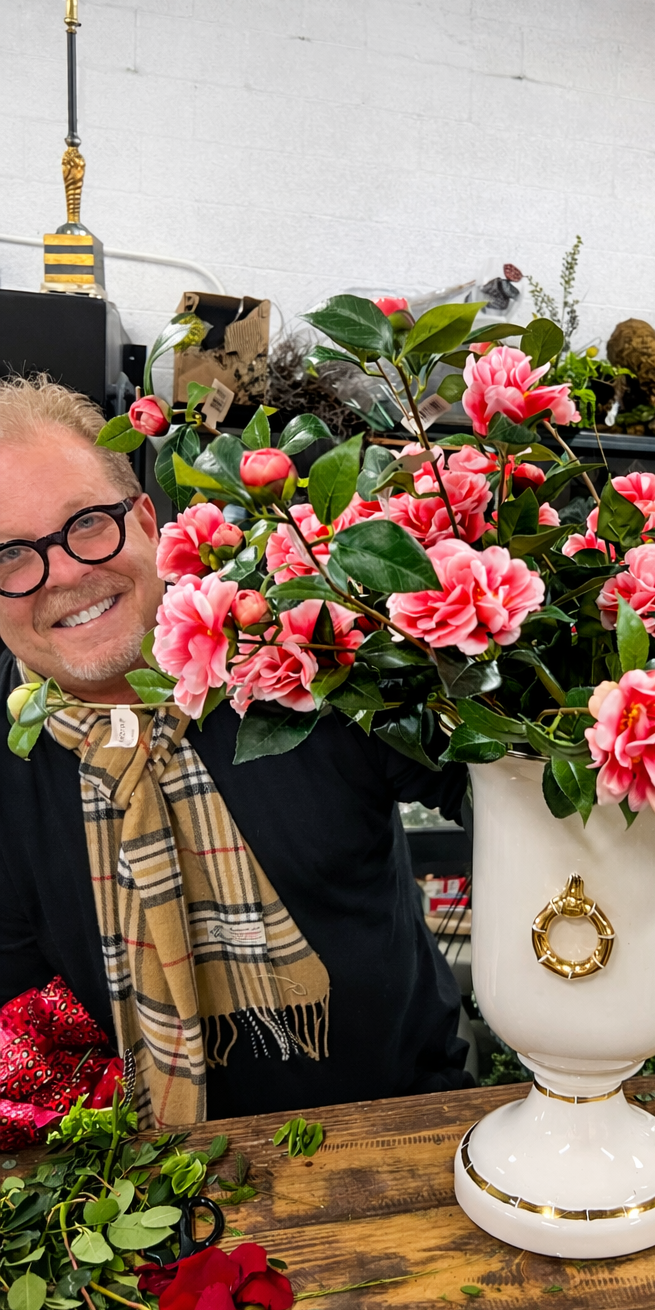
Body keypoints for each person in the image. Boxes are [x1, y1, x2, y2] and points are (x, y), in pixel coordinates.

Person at [0, 377, 472, 1126]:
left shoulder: (300, 644)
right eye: (10, 555)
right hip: (147, 1171)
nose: (61, 573)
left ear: (150, 520)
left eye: (88, 523)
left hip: (405, 1119)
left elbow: (505, 783)